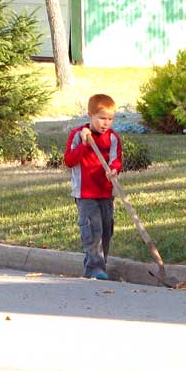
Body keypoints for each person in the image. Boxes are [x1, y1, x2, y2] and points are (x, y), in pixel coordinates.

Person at [64, 94, 123, 279]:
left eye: (110, 119)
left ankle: (100, 265)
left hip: (105, 191)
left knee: (106, 229)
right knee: (92, 230)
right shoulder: (77, 135)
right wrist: (83, 144)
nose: (106, 123)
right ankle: (94, 268)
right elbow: (69, 161)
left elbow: (116, 160)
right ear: (90, 115)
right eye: (102, 118)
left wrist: (114, 170)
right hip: (85, 192)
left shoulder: (113, 137)